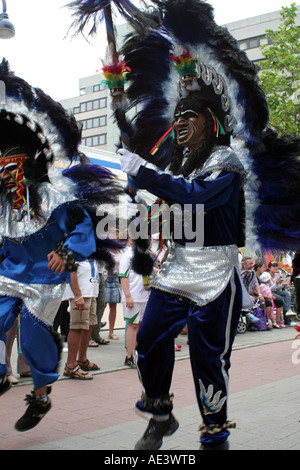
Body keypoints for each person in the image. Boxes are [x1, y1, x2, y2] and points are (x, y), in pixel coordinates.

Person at [0, 59, 122, 431]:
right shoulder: (2, 205)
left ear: (27, 166)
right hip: (7, 275)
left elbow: (85, 228)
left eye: (10, 169)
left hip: (43, 281)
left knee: (37, 341)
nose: (4, 177)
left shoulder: (55, 197)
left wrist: (67, 252)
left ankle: (40, 397)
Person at [63, 258, 100, 379]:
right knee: (77, 326)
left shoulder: (90, 245)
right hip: (80, 293)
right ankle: (70, 365)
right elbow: (70, 270)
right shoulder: (76, 244)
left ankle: (82, 360)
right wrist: (78, 295)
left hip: (90, 291)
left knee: (90, 324)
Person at [119, 238, 150, 368]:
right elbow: (123, 276)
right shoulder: (127, 256)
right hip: (133, 297)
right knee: (133, 325)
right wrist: (128, 296)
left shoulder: (146, 254)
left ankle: (139, 354)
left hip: (145, 297)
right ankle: (130, 356)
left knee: (141, 326)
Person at [268, 261, 295, 326]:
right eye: (273, 266)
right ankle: (281, 319)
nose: (275, 268)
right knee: (280, 298)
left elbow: (277, 288)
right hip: (269, 293)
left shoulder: (277, 275)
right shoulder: (267, 276)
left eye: (276, 266)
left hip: (276, 291)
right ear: (269, 268)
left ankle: (287, 315)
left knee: (286, 294)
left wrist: (282, 284)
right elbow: (268, 289)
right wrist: (276, 283)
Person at [89, 261, 110, 346]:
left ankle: (96, 335)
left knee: (101, 304)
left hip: (101, 273)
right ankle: (88, 337)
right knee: (91, 304)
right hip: (90, 273)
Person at [105, 250, 121, 341]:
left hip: (115, 278)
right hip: (105, 277)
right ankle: (95, 332)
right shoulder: (106, 248)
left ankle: (111, 332)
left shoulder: (121, 250)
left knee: (113, 306)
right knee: (102, 305)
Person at [291, 251, 300, 320]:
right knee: (299, 295)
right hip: (298, 278)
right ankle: (299, 312)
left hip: (297, 278)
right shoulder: (297, 259)